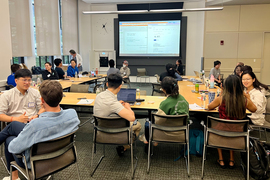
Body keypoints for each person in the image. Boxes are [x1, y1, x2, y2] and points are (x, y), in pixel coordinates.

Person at [0, 80, 80, 180]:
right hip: (64, 157)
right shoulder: (72, 114)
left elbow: (13, 148)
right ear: (61, 97)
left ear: (42, 101)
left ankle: (14, 178)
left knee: (9, 139)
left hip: (36, 163)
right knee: (14, 125)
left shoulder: (35, 125)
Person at [208, 75, 257, 169]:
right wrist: (248, 97)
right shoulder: (244, 100)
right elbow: (254, 109)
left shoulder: (221, 98)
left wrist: (221, 93)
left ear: (225, 86)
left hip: (220, 131)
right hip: (238, 132)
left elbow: (210, 107)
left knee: (218, 127)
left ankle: (221, 159)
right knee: (232, 131)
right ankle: (231, 160)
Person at [94, 73, 141, 156]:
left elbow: (108, 106)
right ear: (120, 86)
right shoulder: (113, 103)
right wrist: (128, 107)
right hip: (112, 130)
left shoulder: (99, 96)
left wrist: (117, 104)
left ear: (107, 84)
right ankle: (125, 145)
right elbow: (132, 118)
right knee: (138, 125)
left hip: (99, 130)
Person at [144, 76, 189, 145]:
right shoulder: (184, 100)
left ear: (164, 90)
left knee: (147, 123)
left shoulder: (165, 104)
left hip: (166, 133)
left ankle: (150, 142)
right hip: (182, 133)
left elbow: (157, 121)